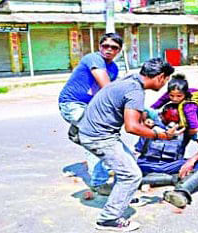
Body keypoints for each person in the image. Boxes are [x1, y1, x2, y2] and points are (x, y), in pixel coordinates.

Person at [77, 58, 181, 231]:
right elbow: (131, 127)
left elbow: (128, 109)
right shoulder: (135, 91)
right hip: (99, 137)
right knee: (131, 175)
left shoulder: (131, 79)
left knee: (129, 163)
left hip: (92, 131)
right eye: (167, 81)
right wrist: (161, 134)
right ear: (160, 77)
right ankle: (108, 219)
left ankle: (122, 197)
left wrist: (145, 119)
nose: (165, 85)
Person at [58, 33, 123, 194]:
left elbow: (108, 95)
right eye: (105, 46)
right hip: (72, 104)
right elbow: (108, 89)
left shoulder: (114, 68)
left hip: (89, 108)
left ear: (119, 51)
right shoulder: (93, 59)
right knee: (95, 138)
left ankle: (77, 130)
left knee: (103, 133)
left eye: (113, 47)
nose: (108, 50)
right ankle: (99, 183)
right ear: (99, 47)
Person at [136, 103, 198, 209]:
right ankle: (173, 180)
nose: (171, 125)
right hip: (145, 164)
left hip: (171, 165)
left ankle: (179, 192)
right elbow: (137, 108)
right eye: (167, 120)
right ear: (161, 116)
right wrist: (144, 123)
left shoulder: (187, 127)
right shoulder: (150, 122)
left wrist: (191, 161)